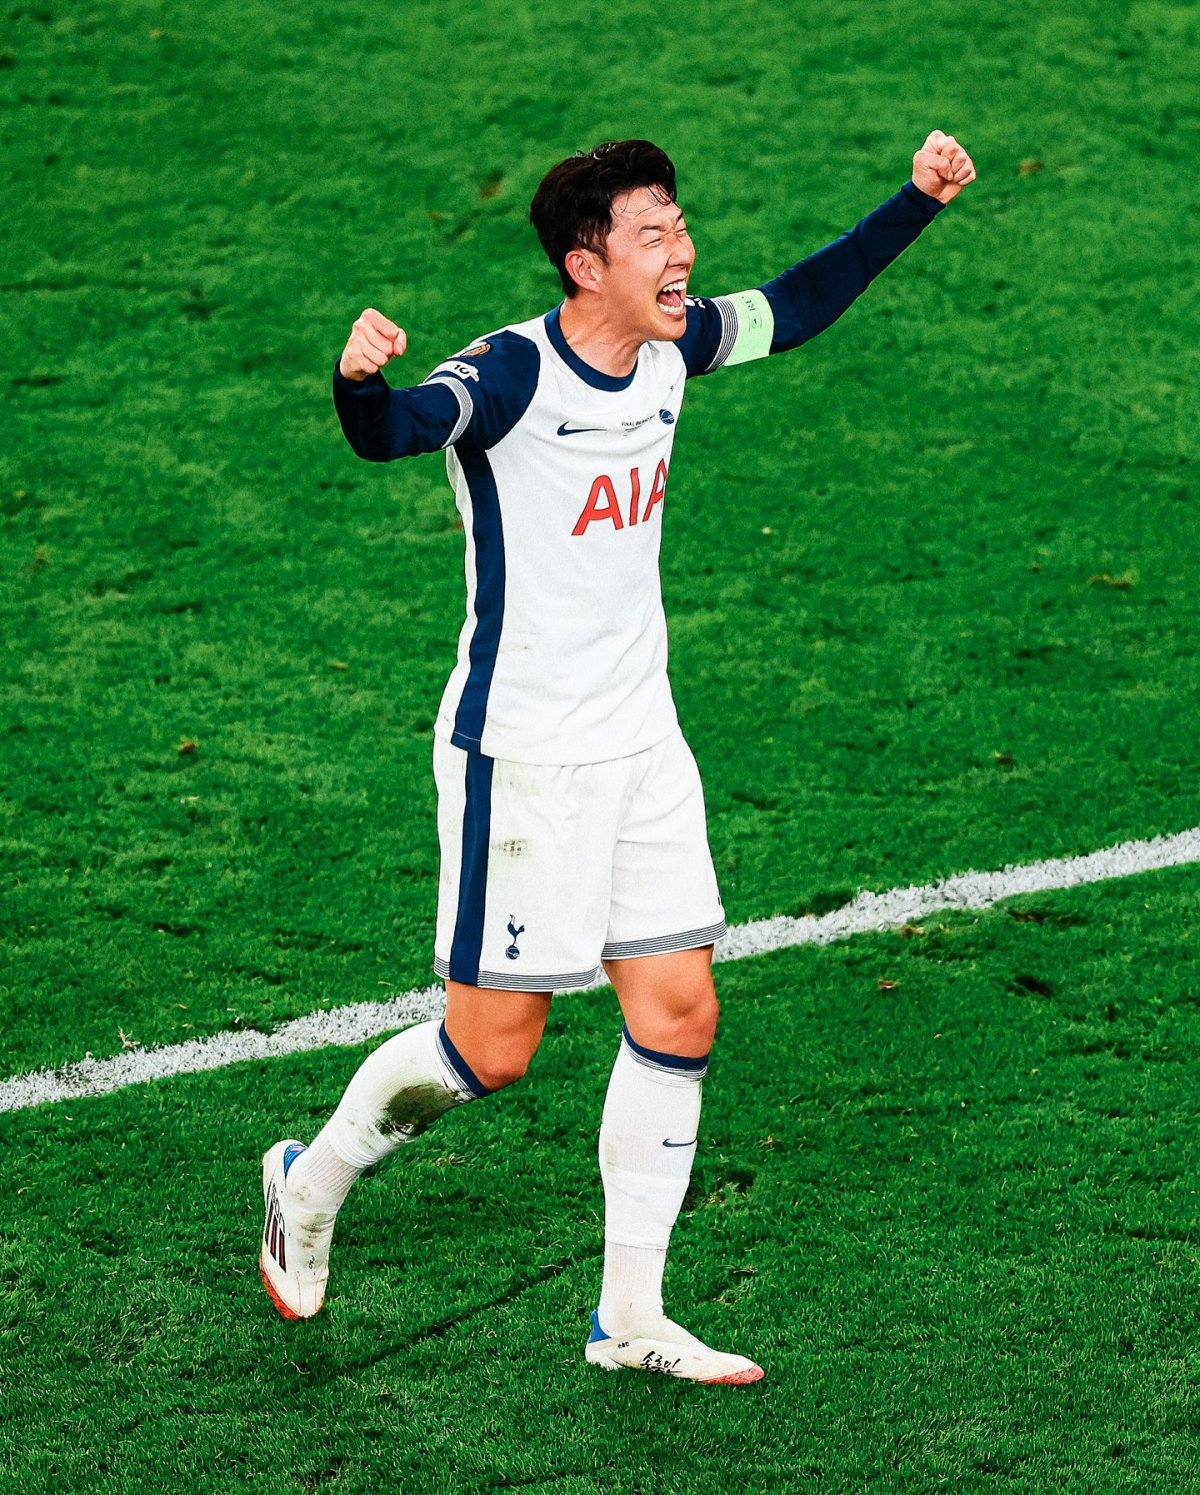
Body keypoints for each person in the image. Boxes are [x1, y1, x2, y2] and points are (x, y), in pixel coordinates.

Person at [260, 131, 976, 1383]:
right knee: (491, 1050)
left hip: (643, 739)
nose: (682, 248)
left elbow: (798, 305)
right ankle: (307, 1183)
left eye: (678, 223)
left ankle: (629, 1318)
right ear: (587, 264)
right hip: (524, 757)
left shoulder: (669, 347)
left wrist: (914, 202)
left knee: (680, 1007)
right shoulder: (511, 376)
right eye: (654, 233)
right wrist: (358, 382)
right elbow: (397, 432)